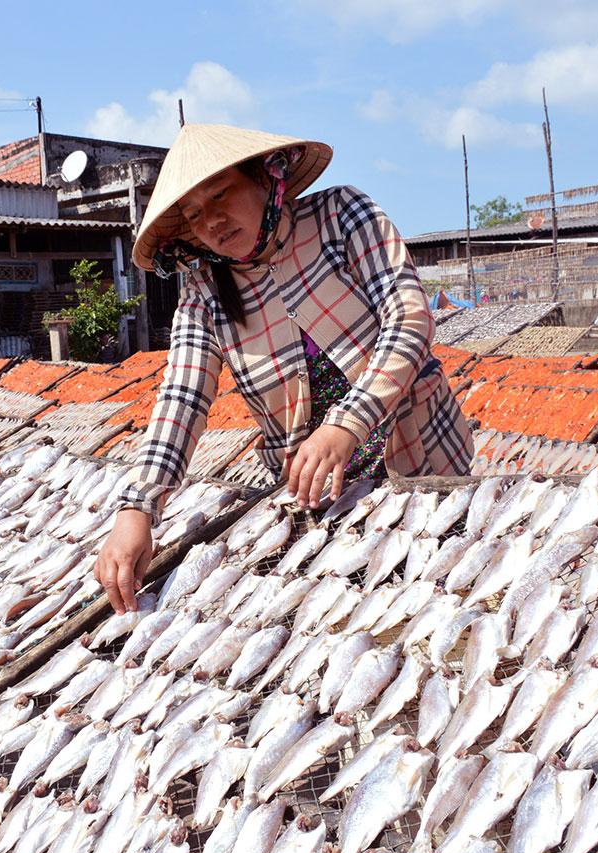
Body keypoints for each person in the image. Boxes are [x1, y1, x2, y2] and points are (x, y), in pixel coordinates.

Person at [95, 124, 473, 613]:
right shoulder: (203, 289)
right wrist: (136, 508)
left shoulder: (341, 216)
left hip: (425, 463)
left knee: (445, 598)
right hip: (322, 501)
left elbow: (410, 317)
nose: (211, 221)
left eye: (220, 195)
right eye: (193, 215)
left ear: (265, 178)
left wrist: (346, 425)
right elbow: (181, 399)